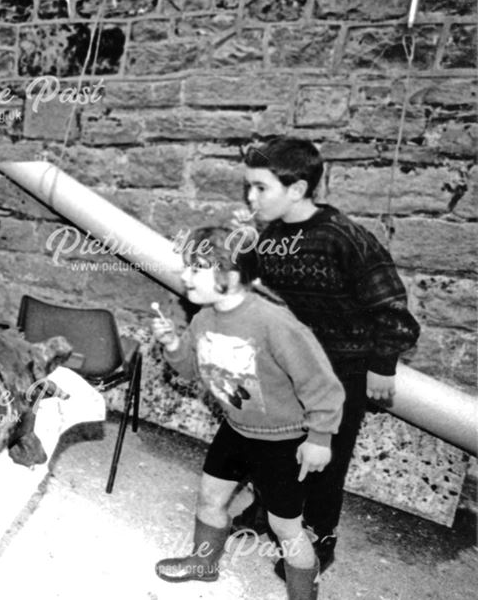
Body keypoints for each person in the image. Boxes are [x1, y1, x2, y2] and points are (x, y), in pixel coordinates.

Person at [241, 137, 420, 577]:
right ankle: (267, 511)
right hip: (288, 369)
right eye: (249, 187)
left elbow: (393, 309)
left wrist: (381, 365)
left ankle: (319, 539)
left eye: (261, 188)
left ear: (298, 189)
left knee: (325, 463)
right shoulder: (268, 237)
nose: (251, 197)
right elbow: (247, 290)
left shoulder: (344, 237)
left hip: (343, 373)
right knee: (274, 449)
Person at [152, 226, 344, 600]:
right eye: (187, 266)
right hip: (237, 428)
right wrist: (175, 345)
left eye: (198, 267)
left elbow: (322, 385)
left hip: (283, 439)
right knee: (210, 497)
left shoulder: (275, 323)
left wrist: (319, 438)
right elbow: (192, 371)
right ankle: (204, 563)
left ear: (232, 275)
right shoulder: (203, 319)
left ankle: (303, 595)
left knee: (284, 526)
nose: (185, 275)